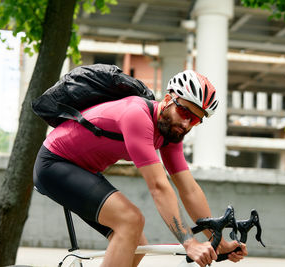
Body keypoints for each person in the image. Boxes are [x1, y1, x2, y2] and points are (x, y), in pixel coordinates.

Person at [33, 69, 247, 267]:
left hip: (84, 170)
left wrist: (216, 241)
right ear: (168, 99)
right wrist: (189, 243)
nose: (186, 124)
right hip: (55, 163)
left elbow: (188, 189)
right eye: (184, 112)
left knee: (136, 242)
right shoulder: (137, 115)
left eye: (195, 121)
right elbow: (158, 186)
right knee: (130, 220)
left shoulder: (170, 134)